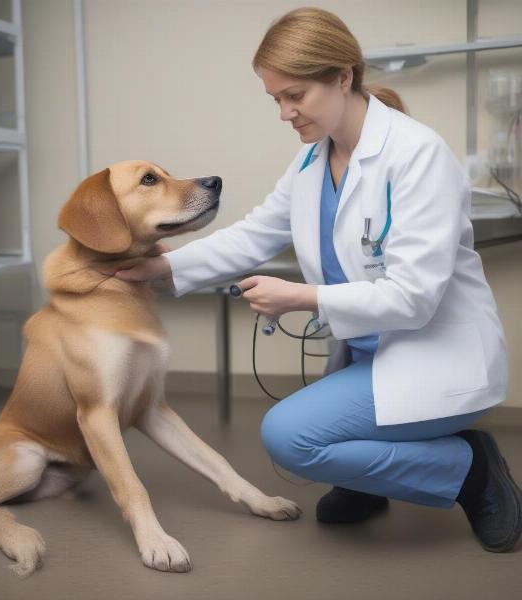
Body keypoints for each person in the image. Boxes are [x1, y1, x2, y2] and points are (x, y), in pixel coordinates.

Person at [114, 7, 522, 552]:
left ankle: (468, 468)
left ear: (343, 77)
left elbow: (415, 298)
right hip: (369, 355)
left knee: (288, 437)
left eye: (295, 95)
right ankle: (366, 483)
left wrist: (300, 296)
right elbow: (255, 234)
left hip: (436, 355)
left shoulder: (416, 155)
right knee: (311, 431)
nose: (284, 112)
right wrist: (162, 270)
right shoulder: (311, 163)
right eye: (275, 99)